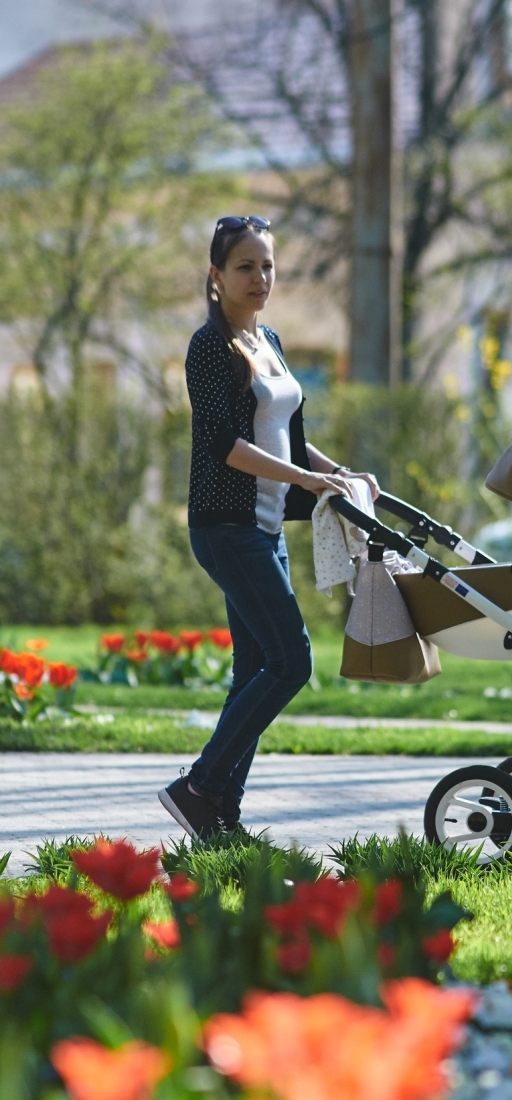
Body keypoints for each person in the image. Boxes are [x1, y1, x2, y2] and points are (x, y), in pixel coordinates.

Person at [158, 214, 378, 840]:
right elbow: (226, 444)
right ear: (216, 277)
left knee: (254, 668)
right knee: (291, 661)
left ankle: (220, 816)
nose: (260, 278)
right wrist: (307, 483)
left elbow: (290, 437)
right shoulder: (209, 348)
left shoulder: (271, 340)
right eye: (245, 267)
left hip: (267, 527)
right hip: (226, 529)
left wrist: (340, 475)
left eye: (267, 265)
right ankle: (198, 787)